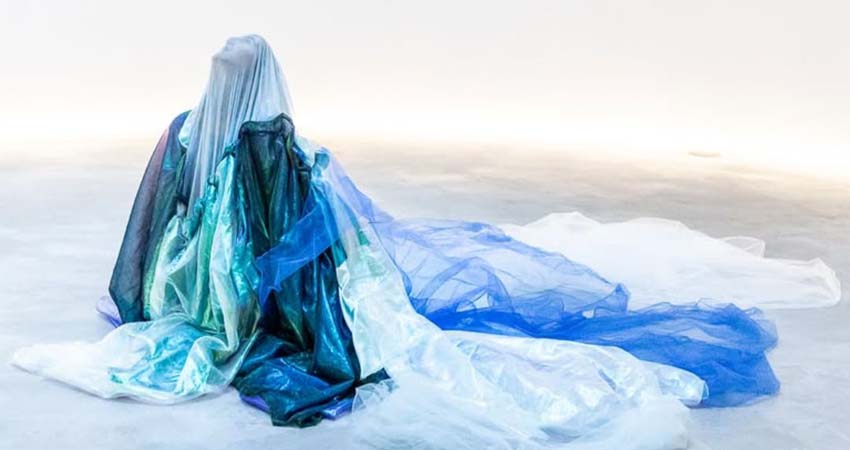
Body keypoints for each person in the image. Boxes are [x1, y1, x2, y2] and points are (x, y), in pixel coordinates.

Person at [13, 35, 840, 449]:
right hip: (255, 300)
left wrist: (166, 299)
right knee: (433, 338)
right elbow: (299, 254)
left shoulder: (187, 128)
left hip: (188, 295)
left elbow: (149, 232)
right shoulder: (270, 143)